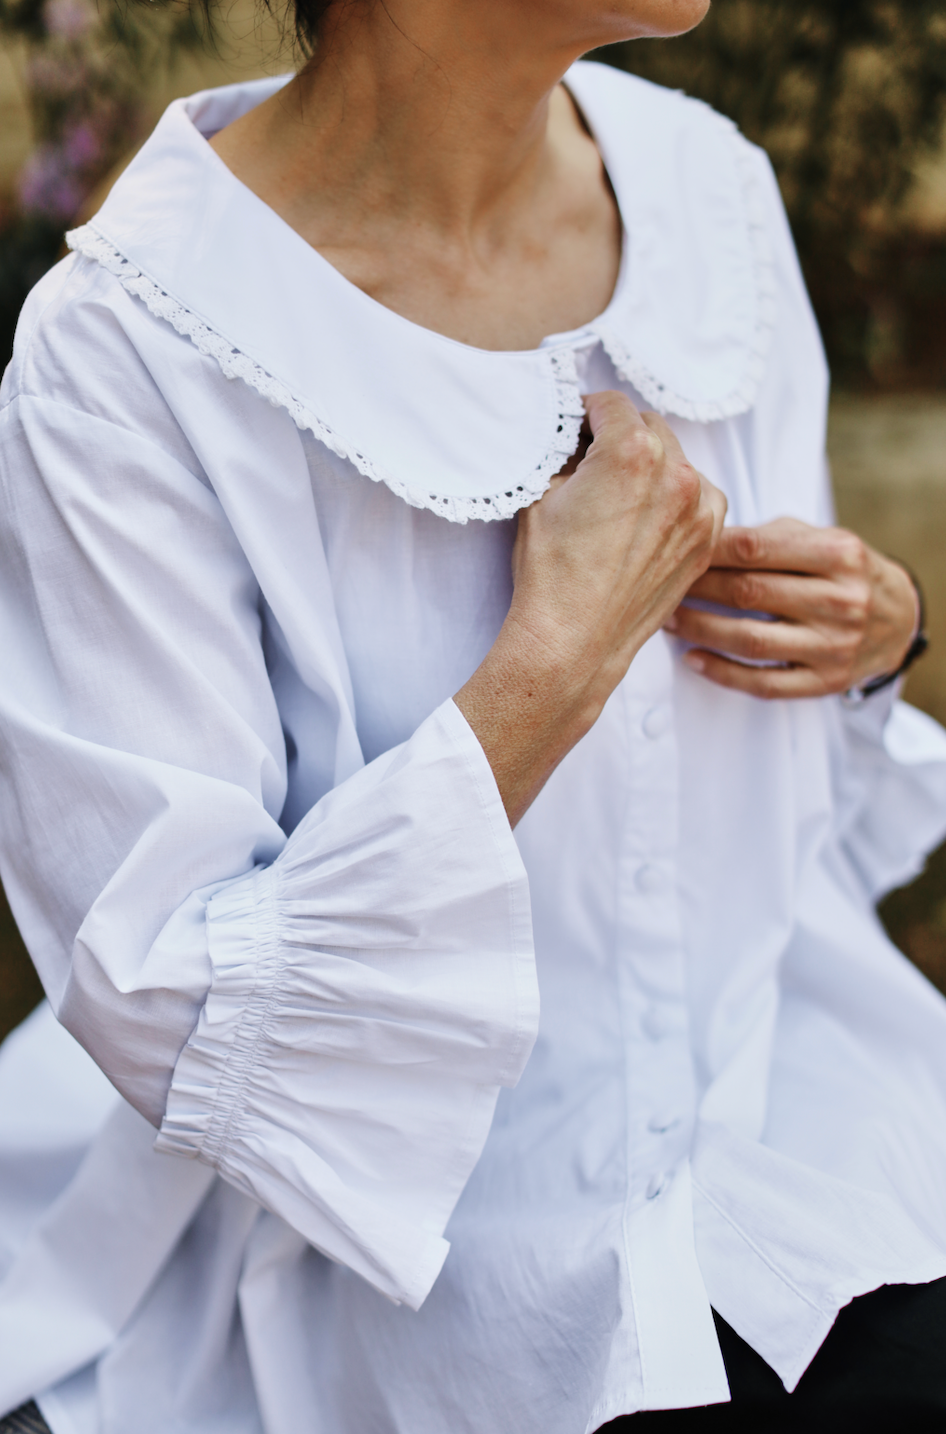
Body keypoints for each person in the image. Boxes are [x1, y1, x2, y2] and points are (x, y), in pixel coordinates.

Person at [1, 0, 946, 1429]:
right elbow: (181, 1002)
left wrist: (871, 636)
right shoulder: (127, 357)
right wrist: (544, 671)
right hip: (376, 1257)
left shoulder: (707, 196)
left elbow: (770, 821)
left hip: (785, 1106)